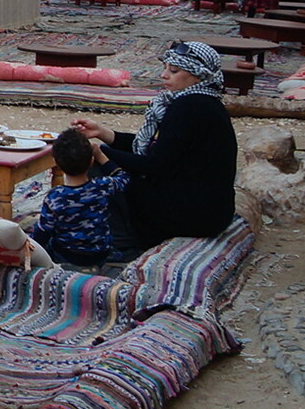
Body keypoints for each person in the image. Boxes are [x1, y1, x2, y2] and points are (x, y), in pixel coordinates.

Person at [64, 41, 240, 253]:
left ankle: (125, 244)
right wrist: (103, 133)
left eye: (174, 71)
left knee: (95, 169)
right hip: (209, 209)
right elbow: (156, 149)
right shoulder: (202, 102)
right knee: (106, 164)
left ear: (198, 75)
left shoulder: (189, 107)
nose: (164, 75)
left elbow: (155, 164)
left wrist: (101, 154)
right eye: (165, 68)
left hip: (193, 214)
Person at [30, 130, 129, 267]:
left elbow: (43, 231)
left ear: (56, 164)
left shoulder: (55, 196)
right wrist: (101, 156)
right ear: (91, 161)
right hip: (100, 253)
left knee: (49, 241)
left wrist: (29, 247)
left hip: (67, 255)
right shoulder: (102, 186)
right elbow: (123, 178)